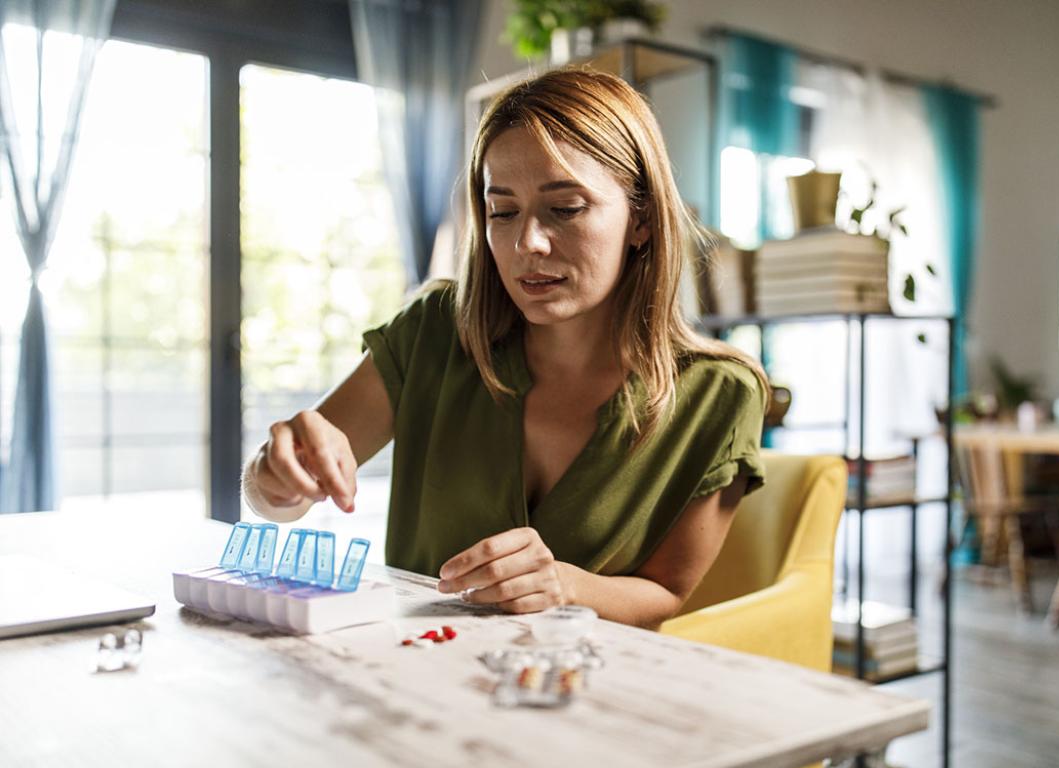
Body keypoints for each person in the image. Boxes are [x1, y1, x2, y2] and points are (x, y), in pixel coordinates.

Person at [242, 67, 767, 630]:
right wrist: (274, 476)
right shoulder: (434, 333)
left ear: (641, 218)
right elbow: (279, 496)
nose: (526, 244)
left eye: (565, 209)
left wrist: (565, 585)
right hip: (416, 674)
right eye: (503, 211)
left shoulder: (719, 394)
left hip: (579, 688)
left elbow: (667, 592)